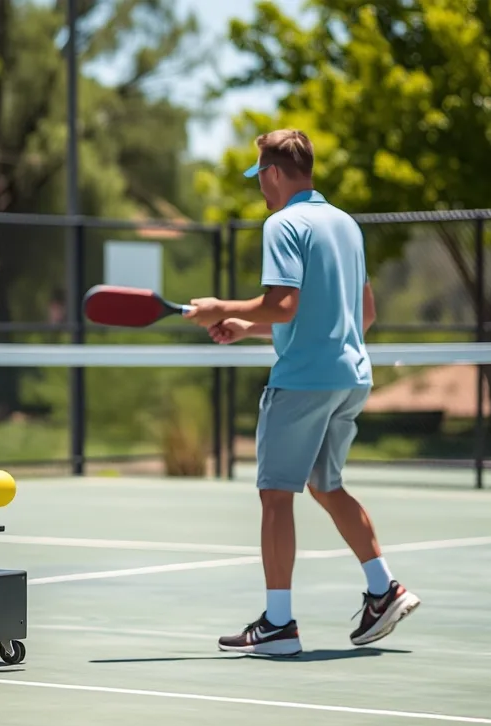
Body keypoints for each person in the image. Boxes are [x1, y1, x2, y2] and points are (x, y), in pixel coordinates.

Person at [184, 129, 420, 656]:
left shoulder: (283, 223)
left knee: (276, 495)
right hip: (350, 377)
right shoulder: (346, 225)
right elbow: (362, 315)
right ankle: (384, 590)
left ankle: (278, 625)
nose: (261, 190)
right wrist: (249, 327)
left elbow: (285, 305)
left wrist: (223, 308)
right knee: (326, 485)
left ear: (271, 172)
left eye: (260, 179)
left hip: (304, 382)